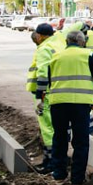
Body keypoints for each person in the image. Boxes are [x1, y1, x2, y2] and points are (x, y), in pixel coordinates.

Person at [42, 28, 93, 185]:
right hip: (81, 104)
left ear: (66, 42)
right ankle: (77, 179)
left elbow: (50, 80)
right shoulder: (88, 55)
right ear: (82, 42)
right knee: (80, 141)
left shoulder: (56, 56)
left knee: (60, 137)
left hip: (58, 102)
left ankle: (59, 175)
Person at [27, 23, 60, 173]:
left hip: (47, 94)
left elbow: (43, 72)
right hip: (58, 91)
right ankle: (57, 160)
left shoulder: (44, 49)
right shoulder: (58, 41)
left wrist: (40, 95)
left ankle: (51, 163)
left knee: (48, 129)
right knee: (58, 126)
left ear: (40, 36)